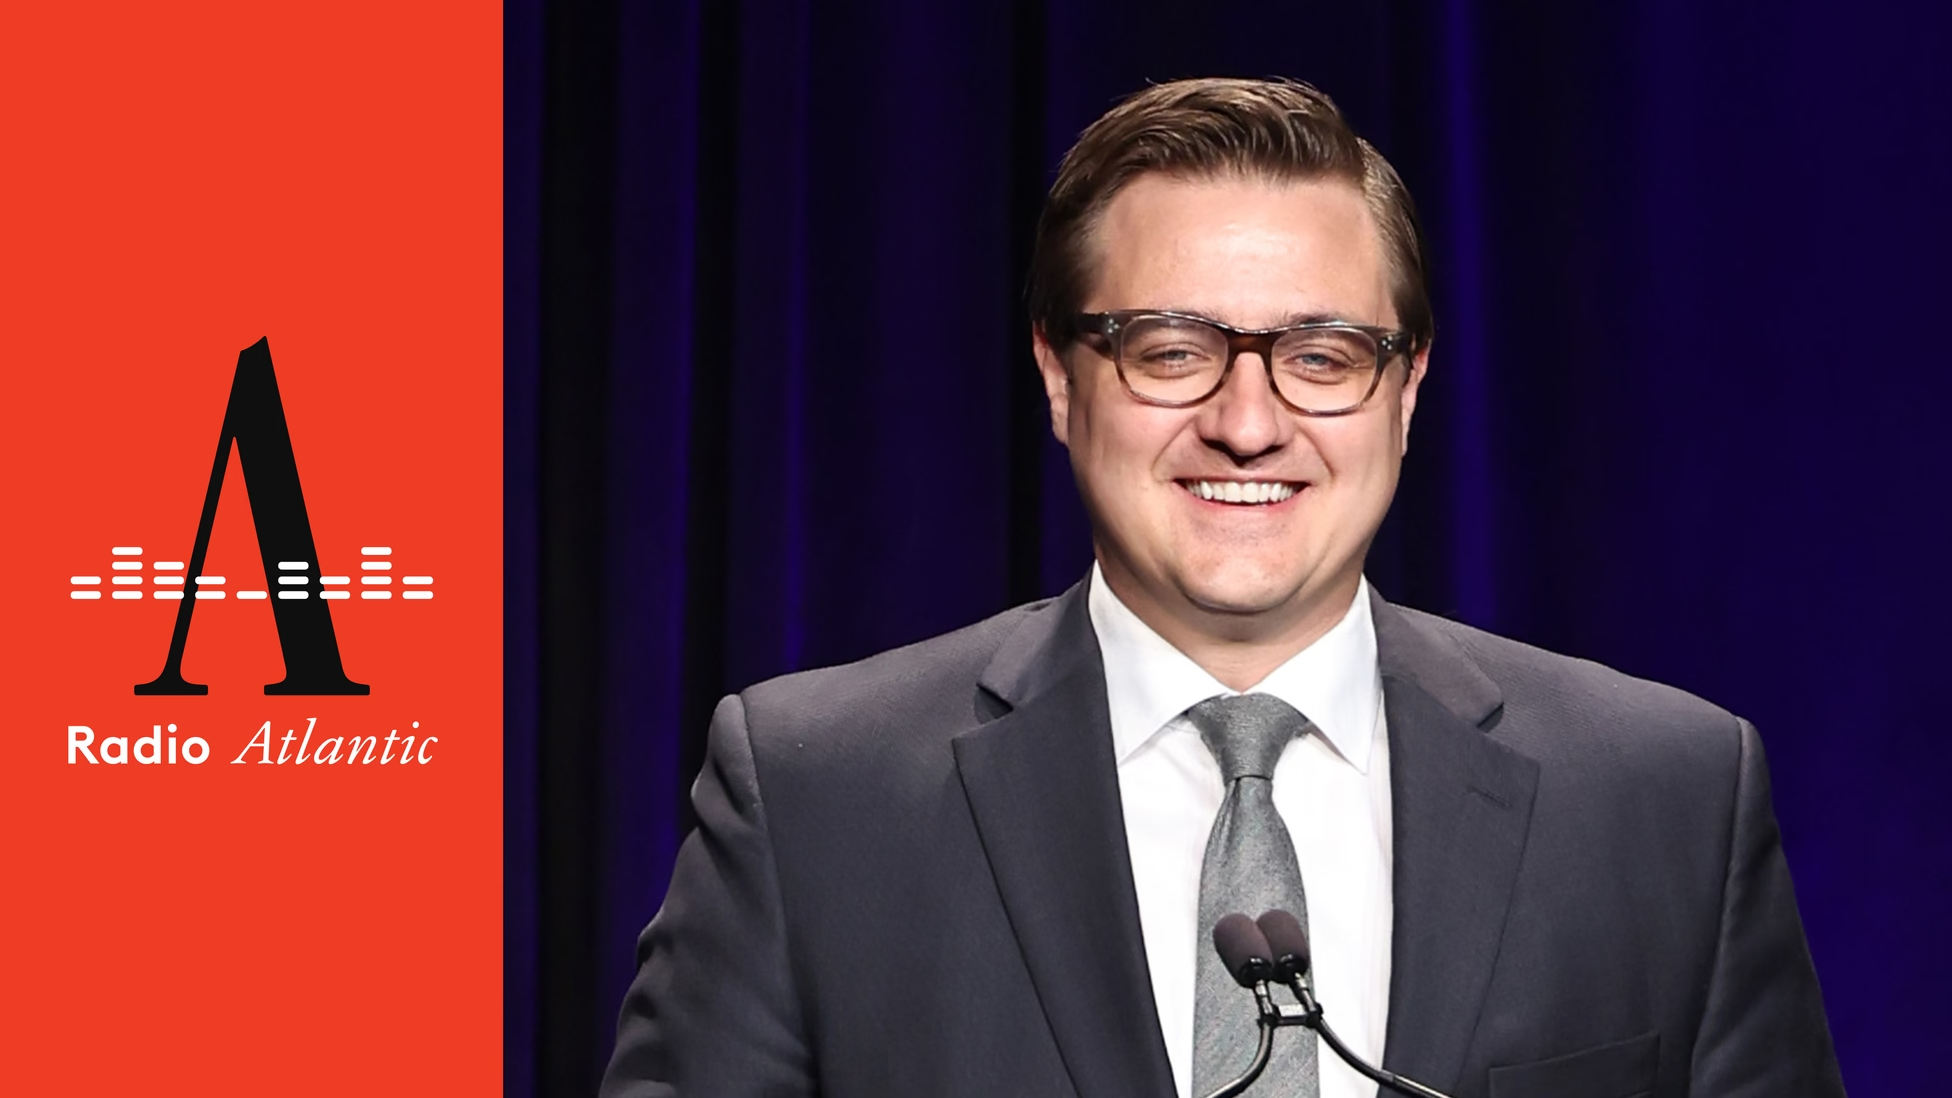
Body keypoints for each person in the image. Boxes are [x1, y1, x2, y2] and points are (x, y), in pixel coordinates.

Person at [601, 77, 1844, 1098]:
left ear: (1403, 393)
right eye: (1172, 351)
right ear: (1057, 376)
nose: (1246, 423)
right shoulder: (815, 796)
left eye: (1319, 356)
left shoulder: (1665, 797)